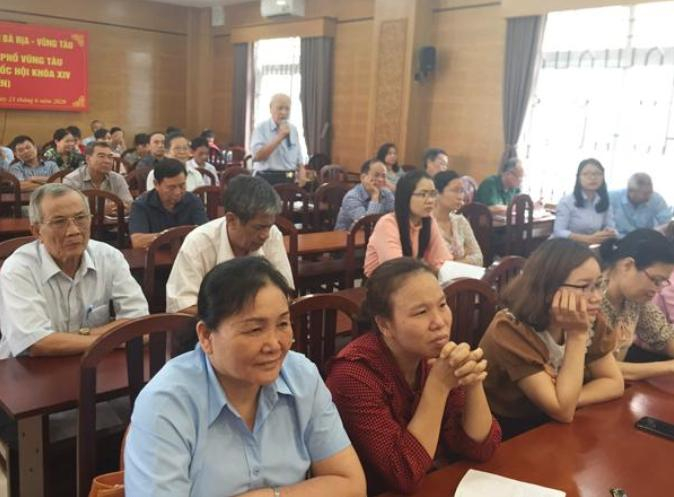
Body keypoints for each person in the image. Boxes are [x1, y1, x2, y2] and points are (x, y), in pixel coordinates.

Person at [125, 257, 366, 497]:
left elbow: (351, 485)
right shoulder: (165, 404)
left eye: (283, 324)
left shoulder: (302, 376)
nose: (274, 345)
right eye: (254, 329)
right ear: (206, 336)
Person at [326, 258, 500, 495]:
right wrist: (438, 386)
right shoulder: (353, 374)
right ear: (385, 325)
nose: (439, 322)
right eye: (421, 312)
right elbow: (404, 474)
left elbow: (481, 447)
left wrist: (473, 381)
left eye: (442, 304)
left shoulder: (432, 355)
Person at [479, 239, 624, 439]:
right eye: (584, 287)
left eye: (598, 284)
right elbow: (562, 411)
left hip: (551, 422)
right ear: (548, 289)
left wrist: (571, 397)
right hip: (508, 431)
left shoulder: (586, 317)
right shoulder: (509, 329)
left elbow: (613, 382)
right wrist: (576, 336)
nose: (597, 297)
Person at [0, 184, 148, 358]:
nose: (73, 231)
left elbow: (140, 325)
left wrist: (65, 339)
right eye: (59, 222)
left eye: (80, 218)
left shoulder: (109, 257)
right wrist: (115, 337)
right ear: (37, 231)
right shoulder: (18, 269)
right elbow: (37, 344)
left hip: (94, 364)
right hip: (25, 369)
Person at [166, 175, 293, 314]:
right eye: (258, 227)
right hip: (213, 326)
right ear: (231, 220)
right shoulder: (198, 243)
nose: (265, 235)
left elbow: (285, 293)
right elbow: (182, 307)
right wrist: (238, 317)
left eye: (269, 226)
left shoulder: (273, 235)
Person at [600, 229, 674, 379]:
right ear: (627, 265)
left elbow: (665, 337)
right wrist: (669, 367)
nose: (658, 290)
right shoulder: (591, 298)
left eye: (662, 282)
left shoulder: (634, 301)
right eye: (655, 280)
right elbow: (593, 368)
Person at [364, 170, 453, 277]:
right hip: (382, 282)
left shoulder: (428, 221)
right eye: (423, 194)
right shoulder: (387, 224)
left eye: (433, 194)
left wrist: (438, 269)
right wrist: (428, 268)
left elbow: (444, 260)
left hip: (412, 278)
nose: (430, 200)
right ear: (405, 196)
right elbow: (396, 269)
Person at [128, 158, 208, 248]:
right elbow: (138, 242)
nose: (178, 192)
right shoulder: (141, 205)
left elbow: (204, 234)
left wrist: (164, 237)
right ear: (156, 184)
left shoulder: (193, 201)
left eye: (182, 185)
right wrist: (174, 236)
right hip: (154, 255)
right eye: (171, 187)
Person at [553, 158, 616, 243]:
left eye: (598, 174)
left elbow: (610, 227)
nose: (593, 178)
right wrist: (587, 239)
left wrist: (608, 233)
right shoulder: (567, 201)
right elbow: (558, 232)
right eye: (586, 174)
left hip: (593, 246)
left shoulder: (604, 201)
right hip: (566, 246)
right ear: (578, 178)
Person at [251, 93, 307, 185]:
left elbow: (298, 155)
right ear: (271, 108)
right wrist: (279, 137)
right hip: (266, 176)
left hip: (289, 175)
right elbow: (257, 156)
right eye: (280, 108)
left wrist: (302, 169)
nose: (284, 112)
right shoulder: (261, 128)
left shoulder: (293, 129)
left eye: (287, 109)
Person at [64, 141, 133, 214]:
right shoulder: (72, 180)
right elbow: (69, 208)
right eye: (101, 156)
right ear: (88, 159)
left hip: (114, 220)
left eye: (110, 157)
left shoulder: (117, 178)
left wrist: (123, 207)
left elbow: (129, 204)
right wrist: (100, 210)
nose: (107, 161)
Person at [433, 170, 483, 266]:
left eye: (461, 191)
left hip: (462, 274)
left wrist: (453, 263)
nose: (460, 197)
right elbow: (433, 264)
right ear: (437, 193)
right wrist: (465, 256)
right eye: (455, 191)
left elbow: (479, 258)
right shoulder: (427, 223)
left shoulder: (460, 221)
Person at [334, 159, 394, 231]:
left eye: (383, 176)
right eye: (376, 175)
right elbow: (367, 226)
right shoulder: (352, 197)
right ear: (363, 177)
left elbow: (394, 218)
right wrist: (375, 195)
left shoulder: (387, 193)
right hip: (346, 235)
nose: (381, 179)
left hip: (376, 234)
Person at [610, 173, 672, 237]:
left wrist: (662, 228)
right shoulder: (612, 198)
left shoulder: (656, 198)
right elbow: (607, 226)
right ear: (631, 192)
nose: (649, 196)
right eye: (645, 193)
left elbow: (666, 222)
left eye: (650, 192)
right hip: (618, 239)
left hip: (646, 239)